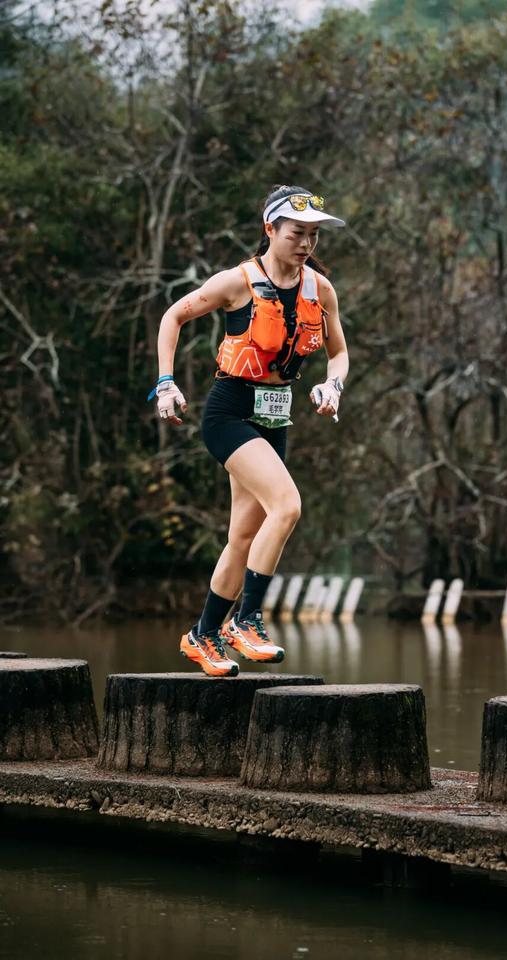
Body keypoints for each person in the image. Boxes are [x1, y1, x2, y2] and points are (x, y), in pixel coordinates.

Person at [149, 185, 349, 677]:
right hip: (230, 413)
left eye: (314, 235)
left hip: (274, 418)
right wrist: (166, 383)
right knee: (287, 506)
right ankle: (247, 620)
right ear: (270, 229)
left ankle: (203, 635)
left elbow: (339, 353)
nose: (306, 244)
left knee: (243, 536)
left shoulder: (320, 290)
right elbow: (174, 316)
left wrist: (332, 385)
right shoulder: (236, 282)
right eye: (297, 233)